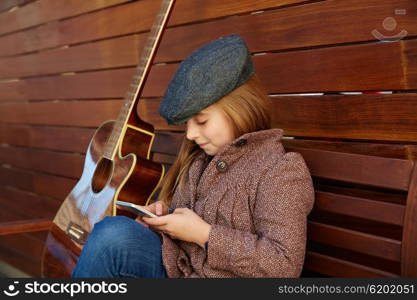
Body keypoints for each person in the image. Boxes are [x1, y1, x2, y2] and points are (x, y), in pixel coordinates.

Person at [72, 34, 315, 278]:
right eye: (187, 124)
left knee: (112, 236)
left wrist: (203, 234)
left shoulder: (280, 169)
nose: (190, 134)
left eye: (201, 120)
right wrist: (163, 220)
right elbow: (183, 237)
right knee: (114, 232)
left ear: (241, 108)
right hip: (177, 271)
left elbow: (284, 265)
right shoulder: (199, 161)